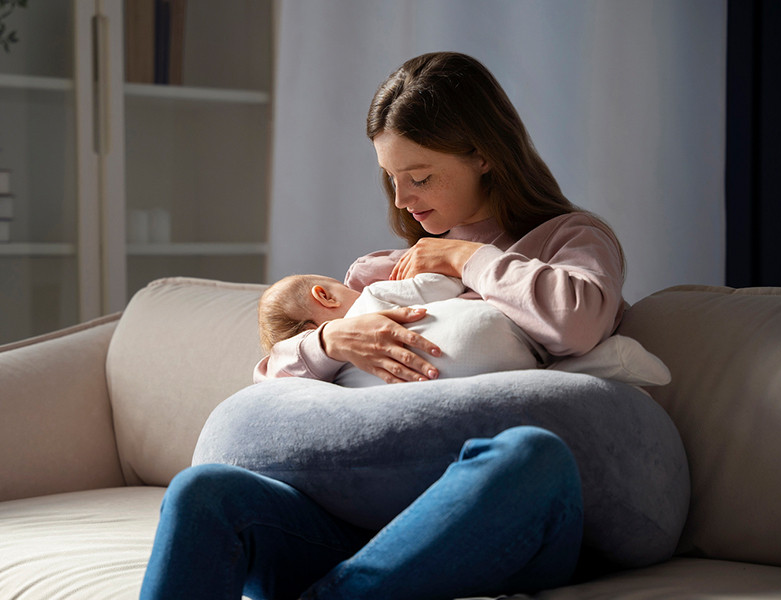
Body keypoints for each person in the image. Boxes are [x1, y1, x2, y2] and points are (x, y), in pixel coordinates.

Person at [140, 51, 628, 599]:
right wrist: (330, 340)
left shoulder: (569, 240)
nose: (401, 200)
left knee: (531, 457)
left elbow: (578, 323)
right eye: (391, 178)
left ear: (484, 156)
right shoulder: (378, 274)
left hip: (492, 520)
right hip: (366, 520)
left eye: (419, 177)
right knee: (202, 492)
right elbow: (272, 400)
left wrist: (465, 259)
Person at [255, 272, 542, 387]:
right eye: (343, 287)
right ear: (325, 296)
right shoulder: (373, 295)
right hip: (516, 351)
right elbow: (446, 284)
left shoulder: (338, 379)